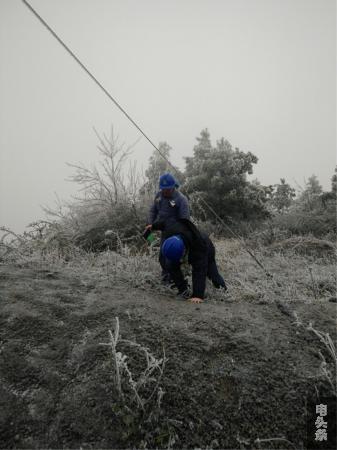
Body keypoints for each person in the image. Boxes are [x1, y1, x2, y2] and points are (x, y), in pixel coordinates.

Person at [152, 218, 227, 303]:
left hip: (206, 247)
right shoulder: (171, 228)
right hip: (181, 246)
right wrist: (153, 226)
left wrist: (197, 295)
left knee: (213, 274)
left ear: (184, 251)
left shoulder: (198, 246)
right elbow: (165, 221)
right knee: (170, 264)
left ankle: (224, 292)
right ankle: (183, 290)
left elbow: (199, 271)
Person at [145, 172, 190, 283]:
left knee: (171, 257)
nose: (165, 191)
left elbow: (185, 221)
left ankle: (175, 281)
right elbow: (153, 210)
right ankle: (166, 278)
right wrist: (150, 223)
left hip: (176, 234)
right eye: (163, 189)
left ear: (173, 187)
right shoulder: (159, 196)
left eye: (167, 189)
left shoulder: (181, 200)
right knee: (162, 257)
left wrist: (179, 236)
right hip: (164, 231)